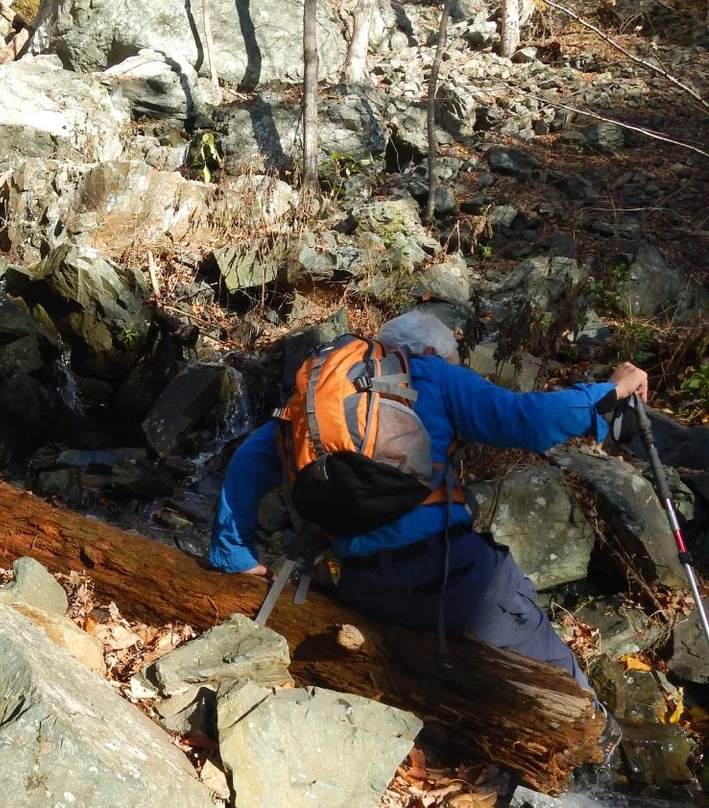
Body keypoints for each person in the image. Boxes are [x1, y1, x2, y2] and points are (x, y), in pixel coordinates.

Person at [208, 309, 647, 761]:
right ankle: (601, 752)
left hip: (362, 588)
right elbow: (526, 420)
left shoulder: (324, 399)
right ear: (436, 352)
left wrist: (232, 554)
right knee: (553, 668)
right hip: (450, 582)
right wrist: (607, 392)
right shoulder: (433, 374)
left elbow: (248, 461)